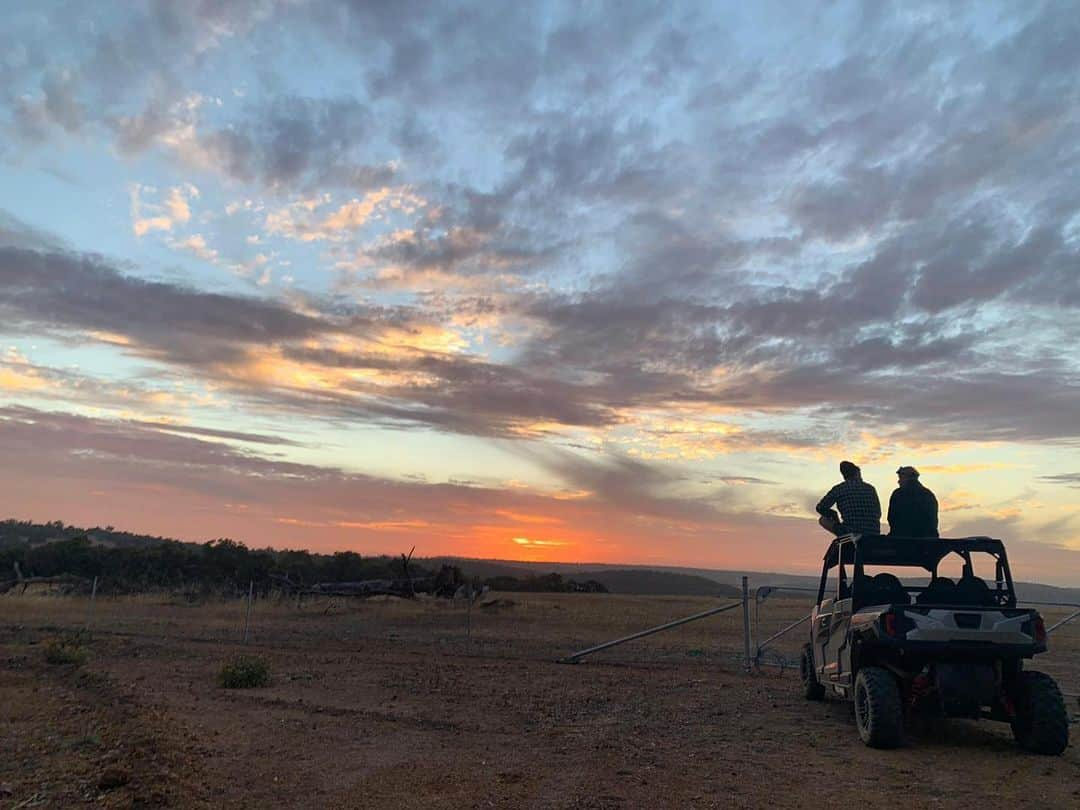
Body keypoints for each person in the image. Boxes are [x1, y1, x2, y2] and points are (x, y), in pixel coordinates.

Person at [816, 461, 881, 536]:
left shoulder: (839, 489)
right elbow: (878, 513)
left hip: (850, 532)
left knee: (823, 520)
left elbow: (820, 507)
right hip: (874, 532)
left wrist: (833, 515)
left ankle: (842, 537)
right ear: (857, 473)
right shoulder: (871, 489)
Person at [887, 466, 939, 537]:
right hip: (928, 538)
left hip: (903, 537)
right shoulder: (929, 494)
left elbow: (891, 518)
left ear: (906, 477)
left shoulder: (898, 494)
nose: (898, 481)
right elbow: (933, 522)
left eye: (900, 478)